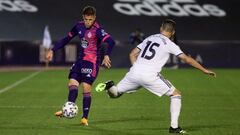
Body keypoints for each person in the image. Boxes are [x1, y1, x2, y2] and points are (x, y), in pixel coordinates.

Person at [96, 19, 216, 133]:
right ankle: (174, 128)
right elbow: (186, 59)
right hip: (149, 75)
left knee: (115, 93)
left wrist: (137, 69)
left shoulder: (150, 37)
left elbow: (132, 54)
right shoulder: (169, 43)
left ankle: (109, 85)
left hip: (134, 72)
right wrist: (203, 69)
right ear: (173, 32)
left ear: (161, 28)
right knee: (176, 94)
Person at [46, 6, 115, 126]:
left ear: (94, 18)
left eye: (90, 19)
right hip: (79, 61)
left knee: (86, 88)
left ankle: (84, 118)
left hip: (92, 62)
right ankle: (68, 109)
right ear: (83, 17)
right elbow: (66, 39)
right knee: (72, 84)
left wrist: (107, 55)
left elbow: (111, 41)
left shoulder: (98, 29)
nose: (88, 22)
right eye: (86, 19)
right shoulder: (78, 26)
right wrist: (52, 50)